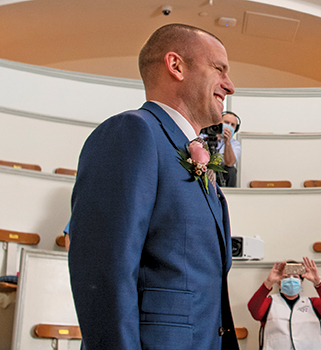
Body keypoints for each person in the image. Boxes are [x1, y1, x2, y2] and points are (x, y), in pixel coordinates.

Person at [68, 23, 238, 350]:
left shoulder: (190, 151)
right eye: (219, 69)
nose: (229, 86)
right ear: (176, 65)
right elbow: (104, 274)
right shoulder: (133, 132)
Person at [248, 257, 321, 350]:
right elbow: (254, 310)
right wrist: (268, 283)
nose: (290, 280)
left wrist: (318, 283)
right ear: (279, 283)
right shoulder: (269, 303)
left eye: (295, 277)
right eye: (286, 277)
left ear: (301, 282)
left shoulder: (311, 303)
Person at [200, 111, 241, 187]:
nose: (229, 126)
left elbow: (229, 163)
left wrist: (227, 142)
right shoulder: (202, 137)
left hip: (221, 174)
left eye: (232, 125)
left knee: (231, 170)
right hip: (202, 169)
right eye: (226, 122)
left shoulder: (235, 144)